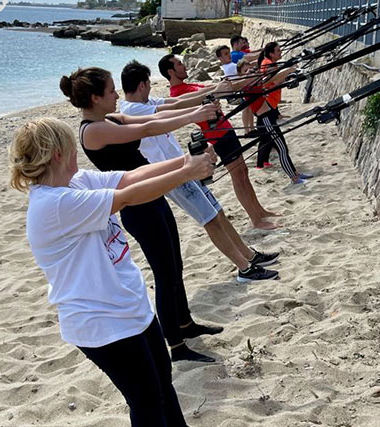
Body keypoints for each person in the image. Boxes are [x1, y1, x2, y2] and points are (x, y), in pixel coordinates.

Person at [8, 117, 213, 427]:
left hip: (131, 308)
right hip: (100, 322)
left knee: (162, 386)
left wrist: (185, 161)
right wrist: (187, 173)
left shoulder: (74, 182)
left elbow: (129, 179)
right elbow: (128, 198)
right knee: (146, 401)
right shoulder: (53, 204)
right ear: (59, 153)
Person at [60, 67, 222, 363]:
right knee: (165, 273)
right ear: (95, 98)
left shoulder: (110, 118)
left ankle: (185, 323)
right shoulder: (93, 130)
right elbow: (146, 130)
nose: (116, 95)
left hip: (152, 194)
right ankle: (176, 344)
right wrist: (195, 116)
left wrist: (196, 110)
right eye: (111, 91)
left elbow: (154, 119)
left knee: (176, 264)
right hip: (136, 205)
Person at [119, 60, 280, 282]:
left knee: (217, 212)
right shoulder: (133, 109)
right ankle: (244, 269)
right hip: (172, 177)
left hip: (185, 167)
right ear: (142, 85)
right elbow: (171, 110)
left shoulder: (144, 102)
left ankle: (249, 256)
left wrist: (212, 91)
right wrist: (198, 110)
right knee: (210, 218)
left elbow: (177, 101)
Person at [157, 54, 280, 229]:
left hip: (225, 129)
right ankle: (256, 220)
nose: (184, 66)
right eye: (179, 64)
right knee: (238, 176)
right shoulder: (178, 92)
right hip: (217, 135)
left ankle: (259, 211)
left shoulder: (188, 85)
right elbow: (209, 95)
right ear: (171, 71)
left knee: (243, 172)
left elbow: (213, 90)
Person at [251, 42, 313, 184]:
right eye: (278, 51)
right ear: (271, 53)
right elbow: (269, 82)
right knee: (281, 147)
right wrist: (288, 72)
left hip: (270, 111)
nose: (280, 53)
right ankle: (294, 178)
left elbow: (274, 82)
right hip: (266, 115)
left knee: (279, 145)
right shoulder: (268, 65)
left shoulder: (268, 64)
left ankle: (295, 173)